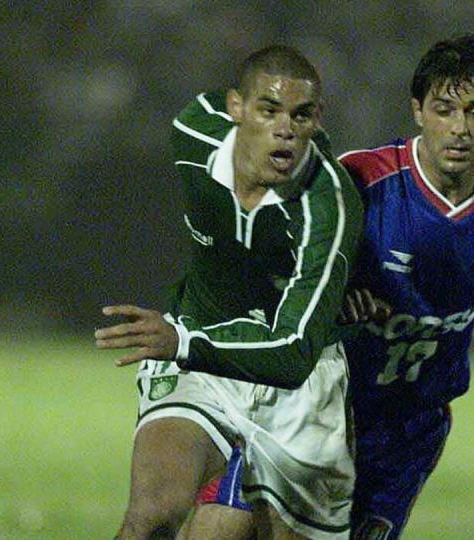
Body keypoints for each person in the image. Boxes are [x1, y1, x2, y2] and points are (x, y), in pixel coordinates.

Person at [184, 34, 474, 540]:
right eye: (444, 109)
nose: (459, 128)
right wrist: (337, 298)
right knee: (226, 530)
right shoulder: (360, 180)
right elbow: (282, 274)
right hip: (321, 405)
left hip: (410, 429)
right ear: (418, 111)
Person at [94, 45, 363, 540]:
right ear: (237, 108)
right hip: (200, 355)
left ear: (317, 122)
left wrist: (182, 343)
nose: (285, 129)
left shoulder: (328, 204)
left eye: (301, 116)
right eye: (269, 110)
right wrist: (186, 343)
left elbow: (294, 352)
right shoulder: (193, 133)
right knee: (152, 514)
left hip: (296, 389)